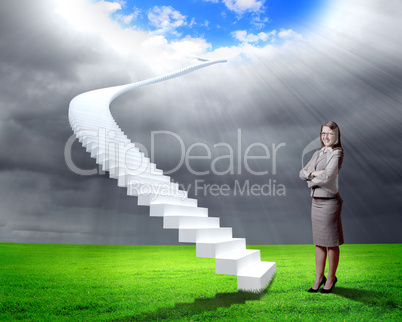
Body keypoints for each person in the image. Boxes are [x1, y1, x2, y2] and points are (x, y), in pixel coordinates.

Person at [299, 121, 344, 293]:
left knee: (331, 243)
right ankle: (319, 278)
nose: (325, 137)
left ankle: (331, 278)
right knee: (319, 243)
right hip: (316, 202)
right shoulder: (318, 153)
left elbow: (327, 176)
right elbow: (301, 172)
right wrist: (312, 173)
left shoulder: (337, 153)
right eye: (323, 133)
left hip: (330, 202)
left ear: (336, 136)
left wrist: (310, 178)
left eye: (329, 133)